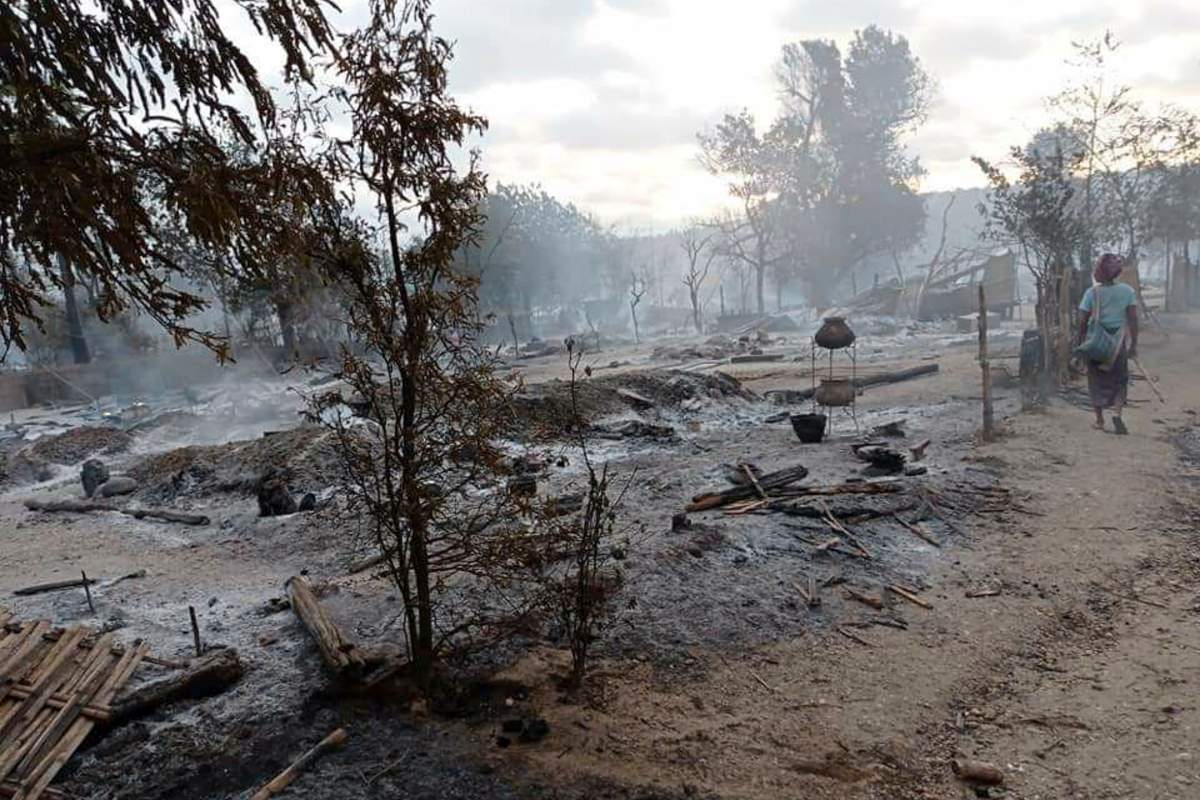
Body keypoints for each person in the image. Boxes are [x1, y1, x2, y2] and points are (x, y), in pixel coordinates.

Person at [1076, 253, 1138, 434]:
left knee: (1095, 381)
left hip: (1095, 344)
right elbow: (1133, 320)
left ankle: (1100, 420)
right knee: (1120, 380)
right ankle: (1117, 413)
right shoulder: (1127, 291)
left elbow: (1082, 321)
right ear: (1118, 272)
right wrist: (1133, 344)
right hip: (1118, 345)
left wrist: (1081, 344)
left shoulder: (1091, 293)